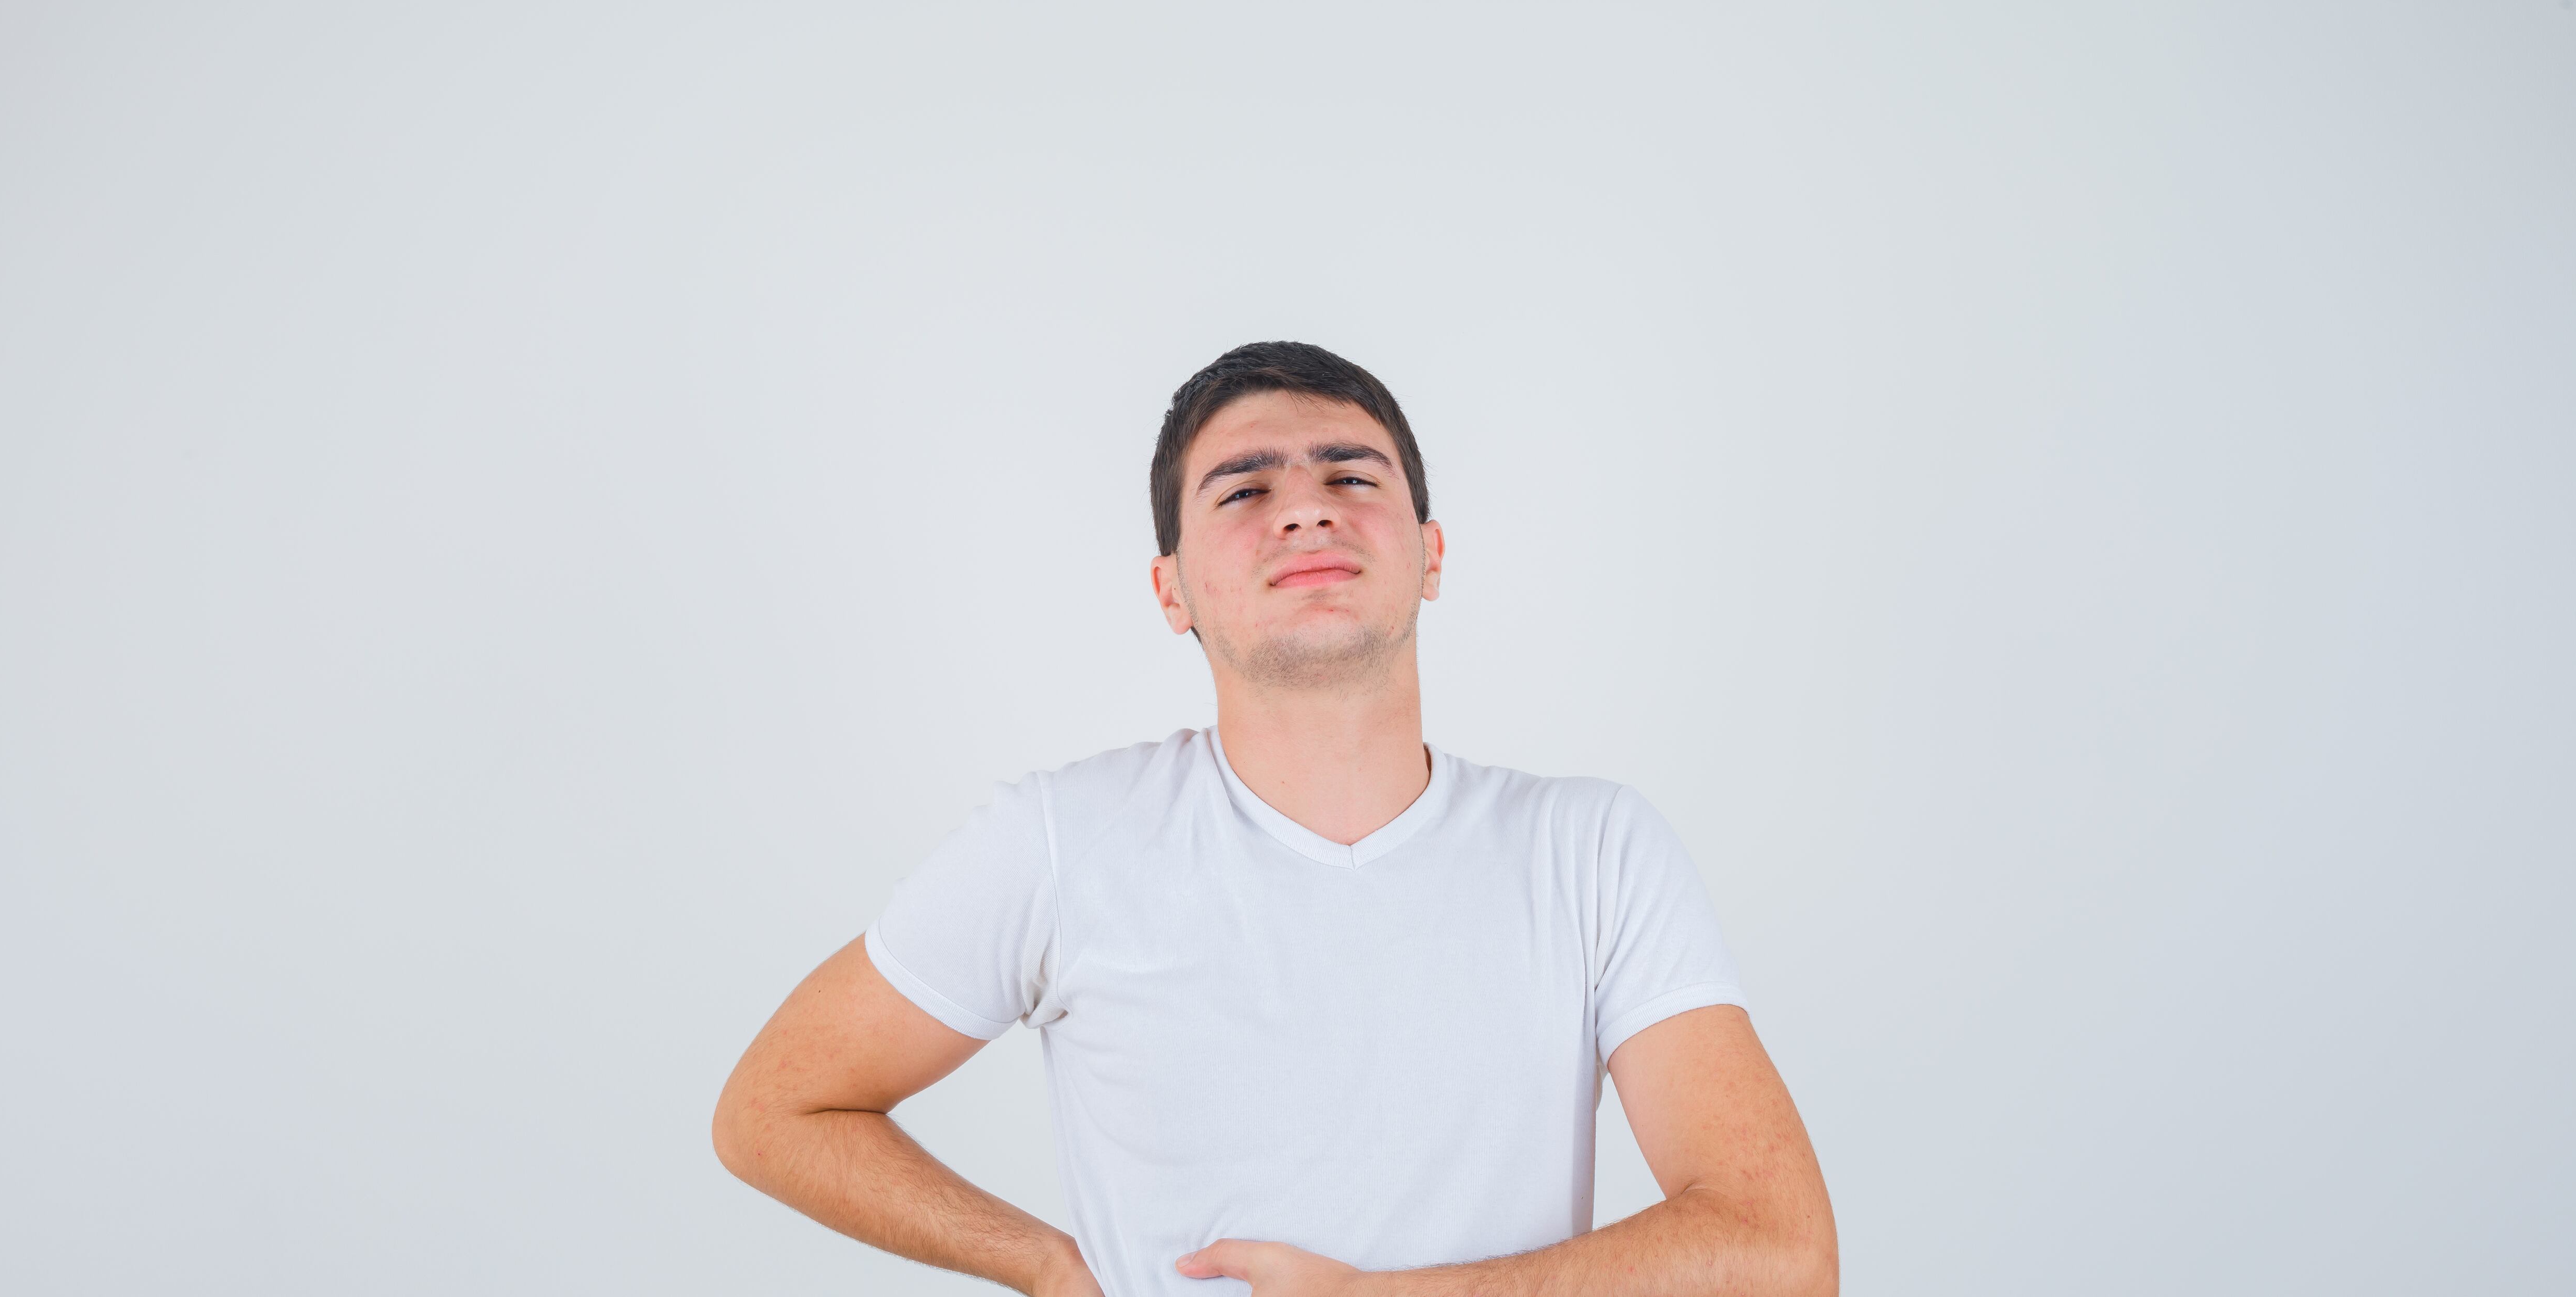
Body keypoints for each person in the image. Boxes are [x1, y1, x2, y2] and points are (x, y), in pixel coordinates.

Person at [712, 342, 1837, 1297]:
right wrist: (1046, 1264)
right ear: (1172, 592)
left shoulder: (1592, 852)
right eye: (1243, 491)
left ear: (1431, 555)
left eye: (1350, 475)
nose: (1305, 507)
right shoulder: (1060, 841)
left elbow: (1780, 1248)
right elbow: (775, 1109)